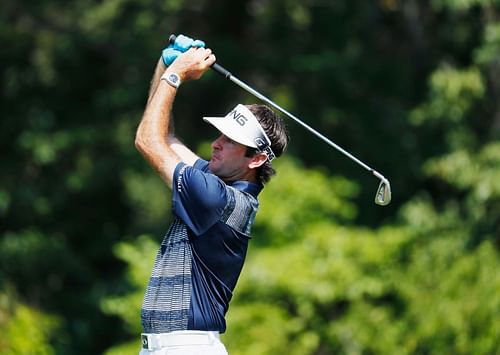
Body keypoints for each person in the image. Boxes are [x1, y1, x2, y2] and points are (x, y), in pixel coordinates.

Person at [135, 35, 289, 354]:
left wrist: (175, 76)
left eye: (230, 140)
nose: (216, 143)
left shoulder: (216, 198)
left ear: (256, 158)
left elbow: (147, 142)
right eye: (221, 134)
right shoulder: (219, 185)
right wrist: (164, 67)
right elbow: (163, 134)